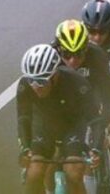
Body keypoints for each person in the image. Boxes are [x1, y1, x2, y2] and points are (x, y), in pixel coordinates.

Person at [17, 44, 103, 194]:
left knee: (73, 173)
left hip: (73, 126)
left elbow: (95, 120)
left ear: (55, 74)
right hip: (44, 126)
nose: (36, 86)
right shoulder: (25, 86)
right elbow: (23, 118)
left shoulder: (77, 82)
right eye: (31, 80)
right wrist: (25, 148)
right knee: (34, 174)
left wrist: (96, 148)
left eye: (42, 81)